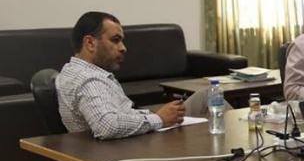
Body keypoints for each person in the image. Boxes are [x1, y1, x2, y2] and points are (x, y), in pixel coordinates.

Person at [57, 11, 210, 139]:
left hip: (135, 135)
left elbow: (118, 115)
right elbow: (108, 126)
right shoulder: (88, 79)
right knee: (210, 97)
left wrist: (153, 115)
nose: (123, 48)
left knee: (208, 95)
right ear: (90, 43)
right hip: (129, 146)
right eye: (115, 40)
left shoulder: (72, 70)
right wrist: (159, 119)